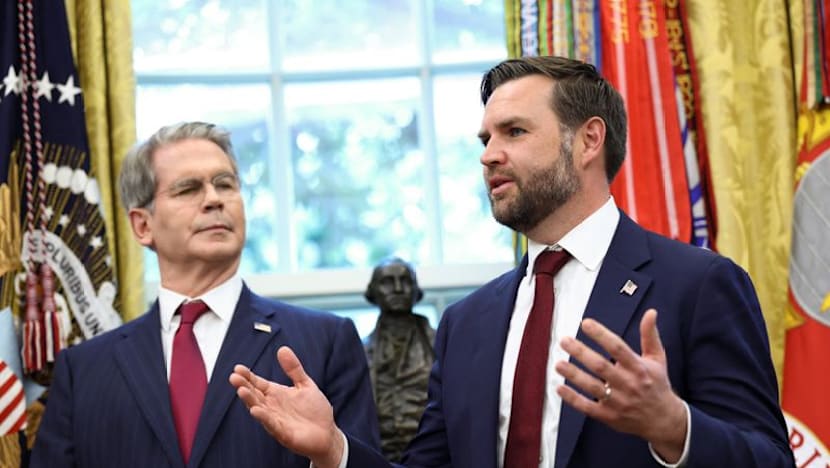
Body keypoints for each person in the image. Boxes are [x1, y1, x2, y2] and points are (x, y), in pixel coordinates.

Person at [229, 56, 795, 468]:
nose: (488, 155)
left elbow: (770, 458)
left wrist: (675, 427)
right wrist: (336, 450)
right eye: (485, 139)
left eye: (514, 132)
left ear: (588, 141)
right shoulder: (467, 322)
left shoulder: (697, 285)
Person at [30, 121, 380, 467]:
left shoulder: (326, 342)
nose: (214, 199)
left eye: (225, 184)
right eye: (188, 189)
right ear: (143, 225)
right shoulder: (83, 371)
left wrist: (333, 454)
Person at [363, 257, 435, 462]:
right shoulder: (359, 351)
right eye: (387, 282)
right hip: (379, 458)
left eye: (405, 281)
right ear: (373, 291)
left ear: (416, 290)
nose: (397, 289)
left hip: (434, 458)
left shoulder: (440, 343)